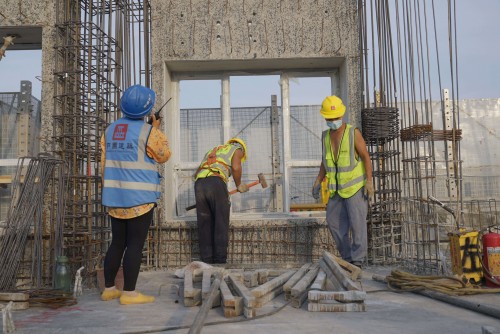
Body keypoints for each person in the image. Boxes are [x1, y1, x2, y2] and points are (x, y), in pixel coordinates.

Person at [100, 85, 171, 305]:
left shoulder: (109, 130)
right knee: (135, 245)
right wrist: (155, 128)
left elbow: (104, 161)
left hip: (115, 197)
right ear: (147, 109)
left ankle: (109, 288)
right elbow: (163, 155)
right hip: (140, 199)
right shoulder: (149, 132)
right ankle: (129, 293)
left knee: (117, 243)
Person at [312, 95, 374, 268]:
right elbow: (325, 160)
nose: (333, 121)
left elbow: (365, 157)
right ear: (325, 117)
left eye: (335, 118)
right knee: (333, 223)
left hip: (355, 188)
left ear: (341, 115)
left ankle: (358, 261)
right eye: (330, 118)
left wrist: (369, 181)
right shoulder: (325, 136)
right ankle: (348, 258)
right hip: (336, 189)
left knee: (357, 225)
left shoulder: (353, 133)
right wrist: (318, 179)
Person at [193, 138, 249, 264]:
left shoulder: (212, 151)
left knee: (204, 223)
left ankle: (206, 260)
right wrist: (239, 184)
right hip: (216, 182)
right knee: (220, 221)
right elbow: (236, 167)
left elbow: (196, 173)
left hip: (200, 183)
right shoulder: (237, 149)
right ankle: (219, 261)